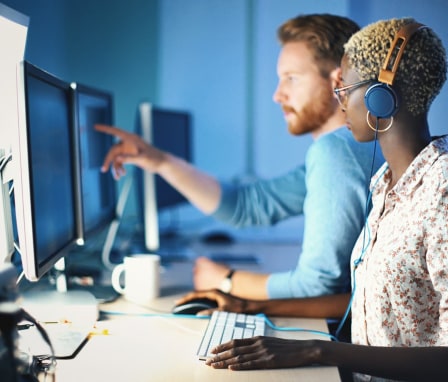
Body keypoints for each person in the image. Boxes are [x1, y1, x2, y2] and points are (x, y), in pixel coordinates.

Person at [177, 17, 448, 381]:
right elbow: (364, 301)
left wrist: (315, 350)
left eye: (345, 89)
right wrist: (250, 306)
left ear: (379, 98)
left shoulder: (440, 190)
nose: (340, 103)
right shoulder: (386, 182)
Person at [96, 14, 384, 300]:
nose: (277, 95)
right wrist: (160, 161)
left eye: (291, 79)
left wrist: (226, 280)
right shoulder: (353, 148)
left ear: (338, 80)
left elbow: (318, 286)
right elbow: (245, 206)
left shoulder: (336, 151)